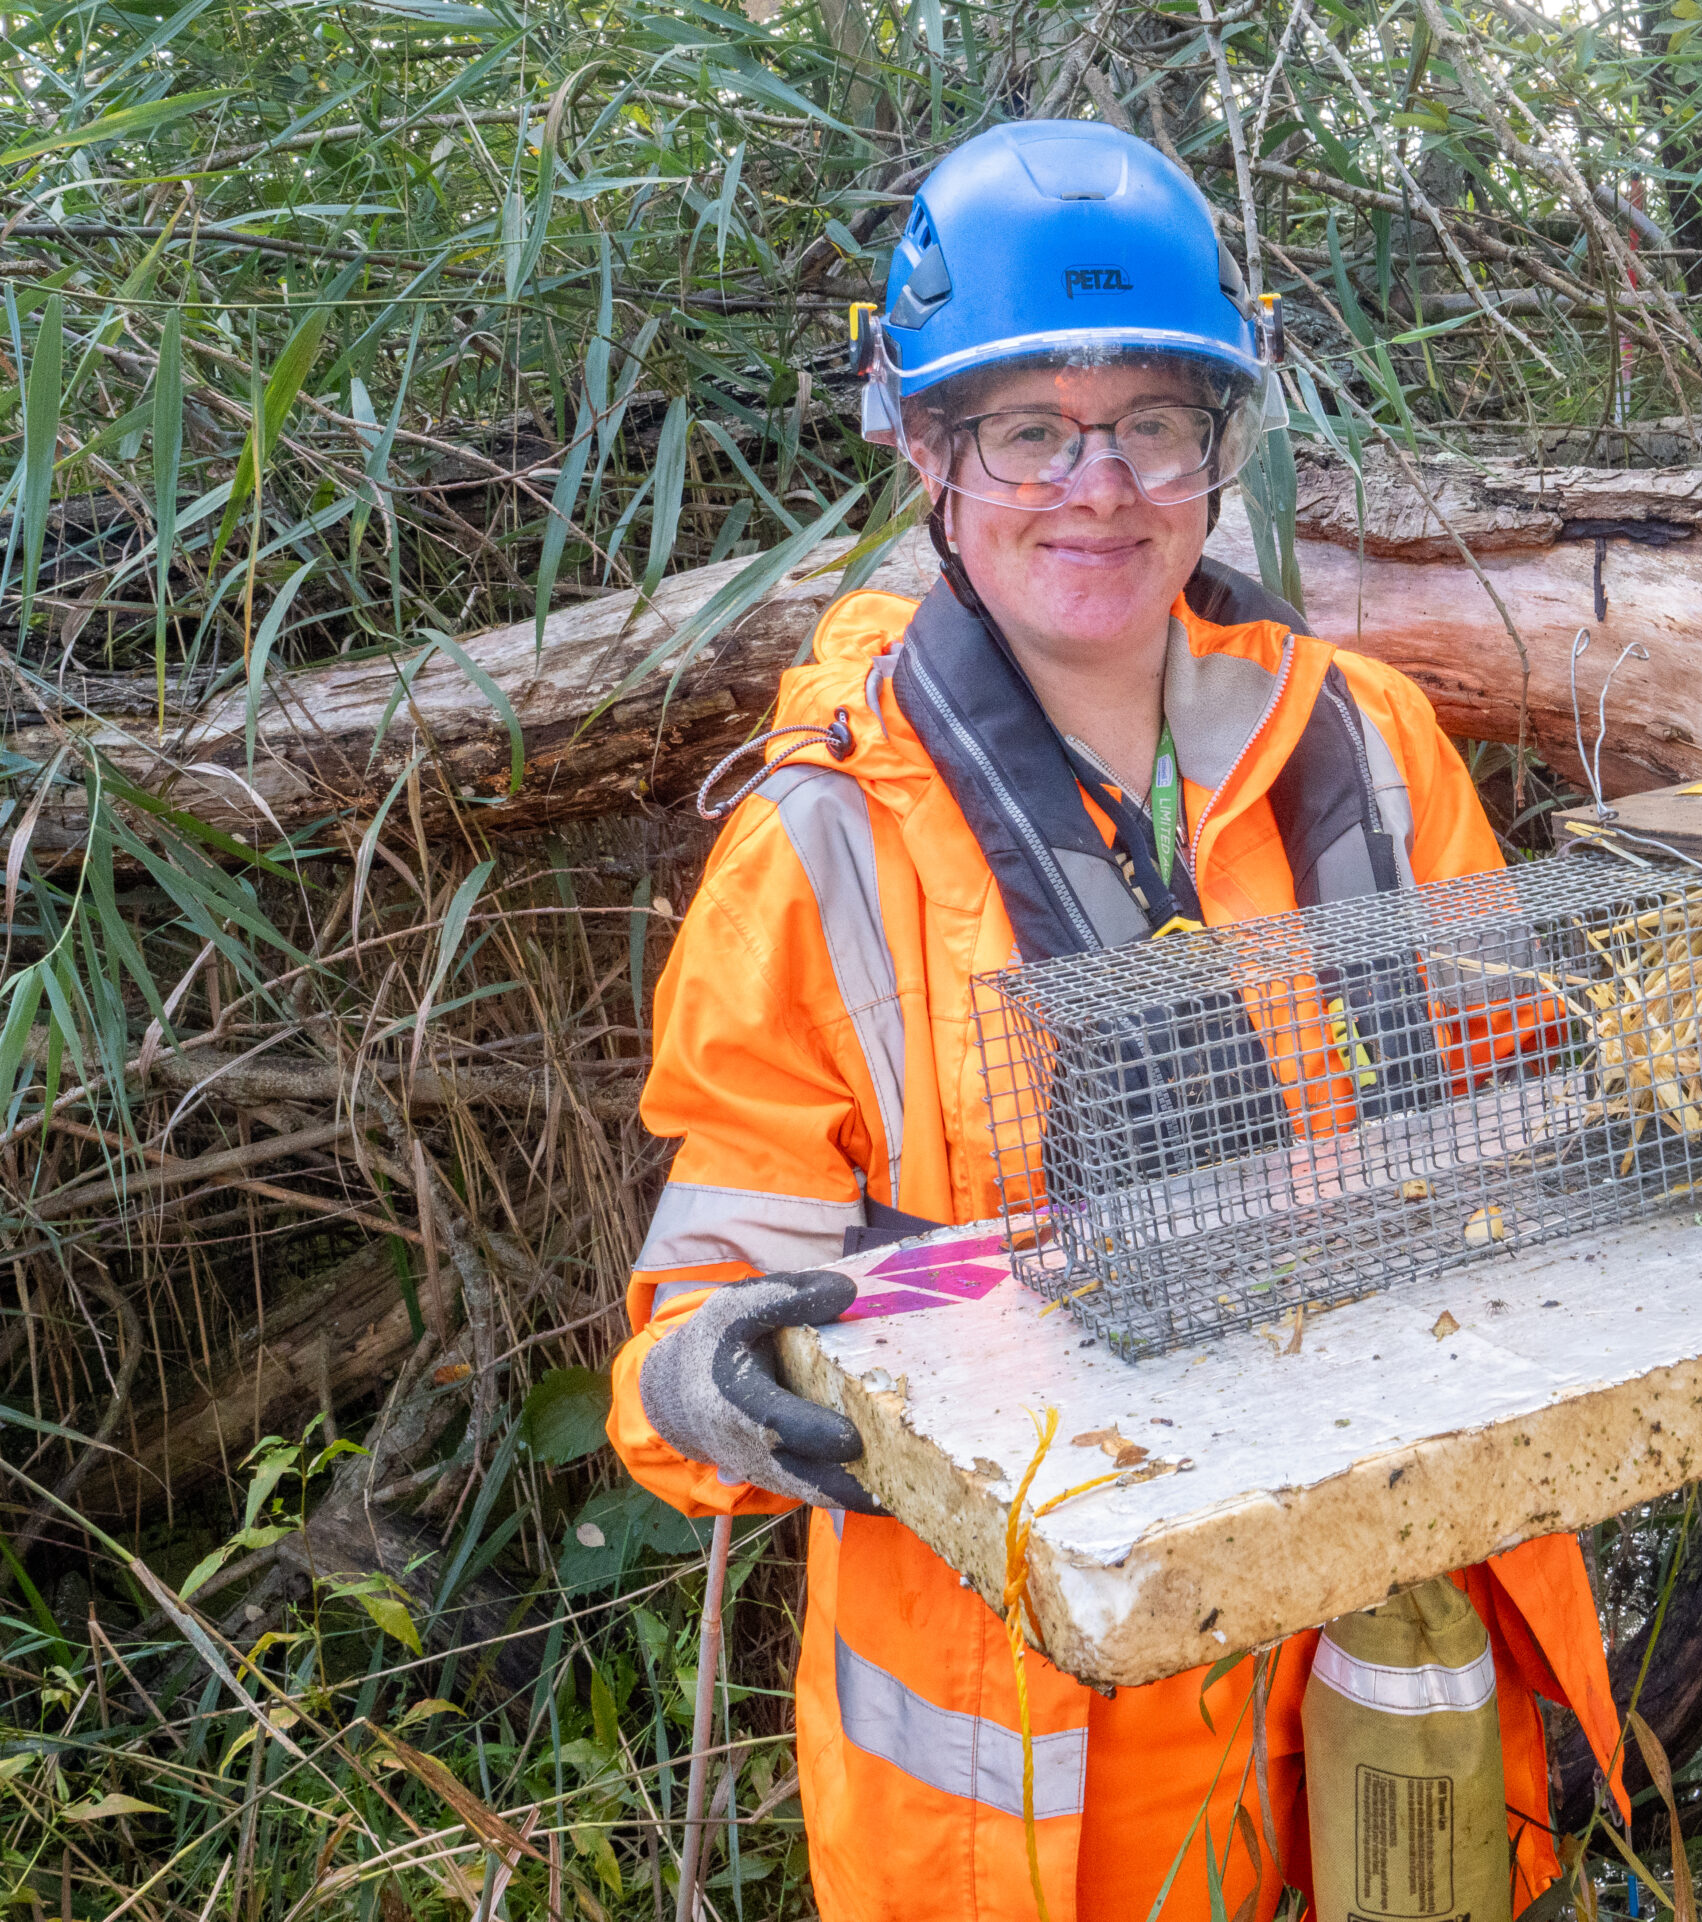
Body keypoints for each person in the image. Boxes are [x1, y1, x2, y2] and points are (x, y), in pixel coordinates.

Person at [607, 119, 1624, 1922]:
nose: (1099, 486)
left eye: (1153, 421)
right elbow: (695, 1318)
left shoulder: (1364, 747)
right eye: (1027, 428)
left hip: (1388, 1679)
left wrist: (1638, 1097)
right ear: (925, 448)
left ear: (1220, 446)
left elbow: (1521, 1108)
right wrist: (720, 1380)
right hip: (1034, 1779)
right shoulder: (827, 839)